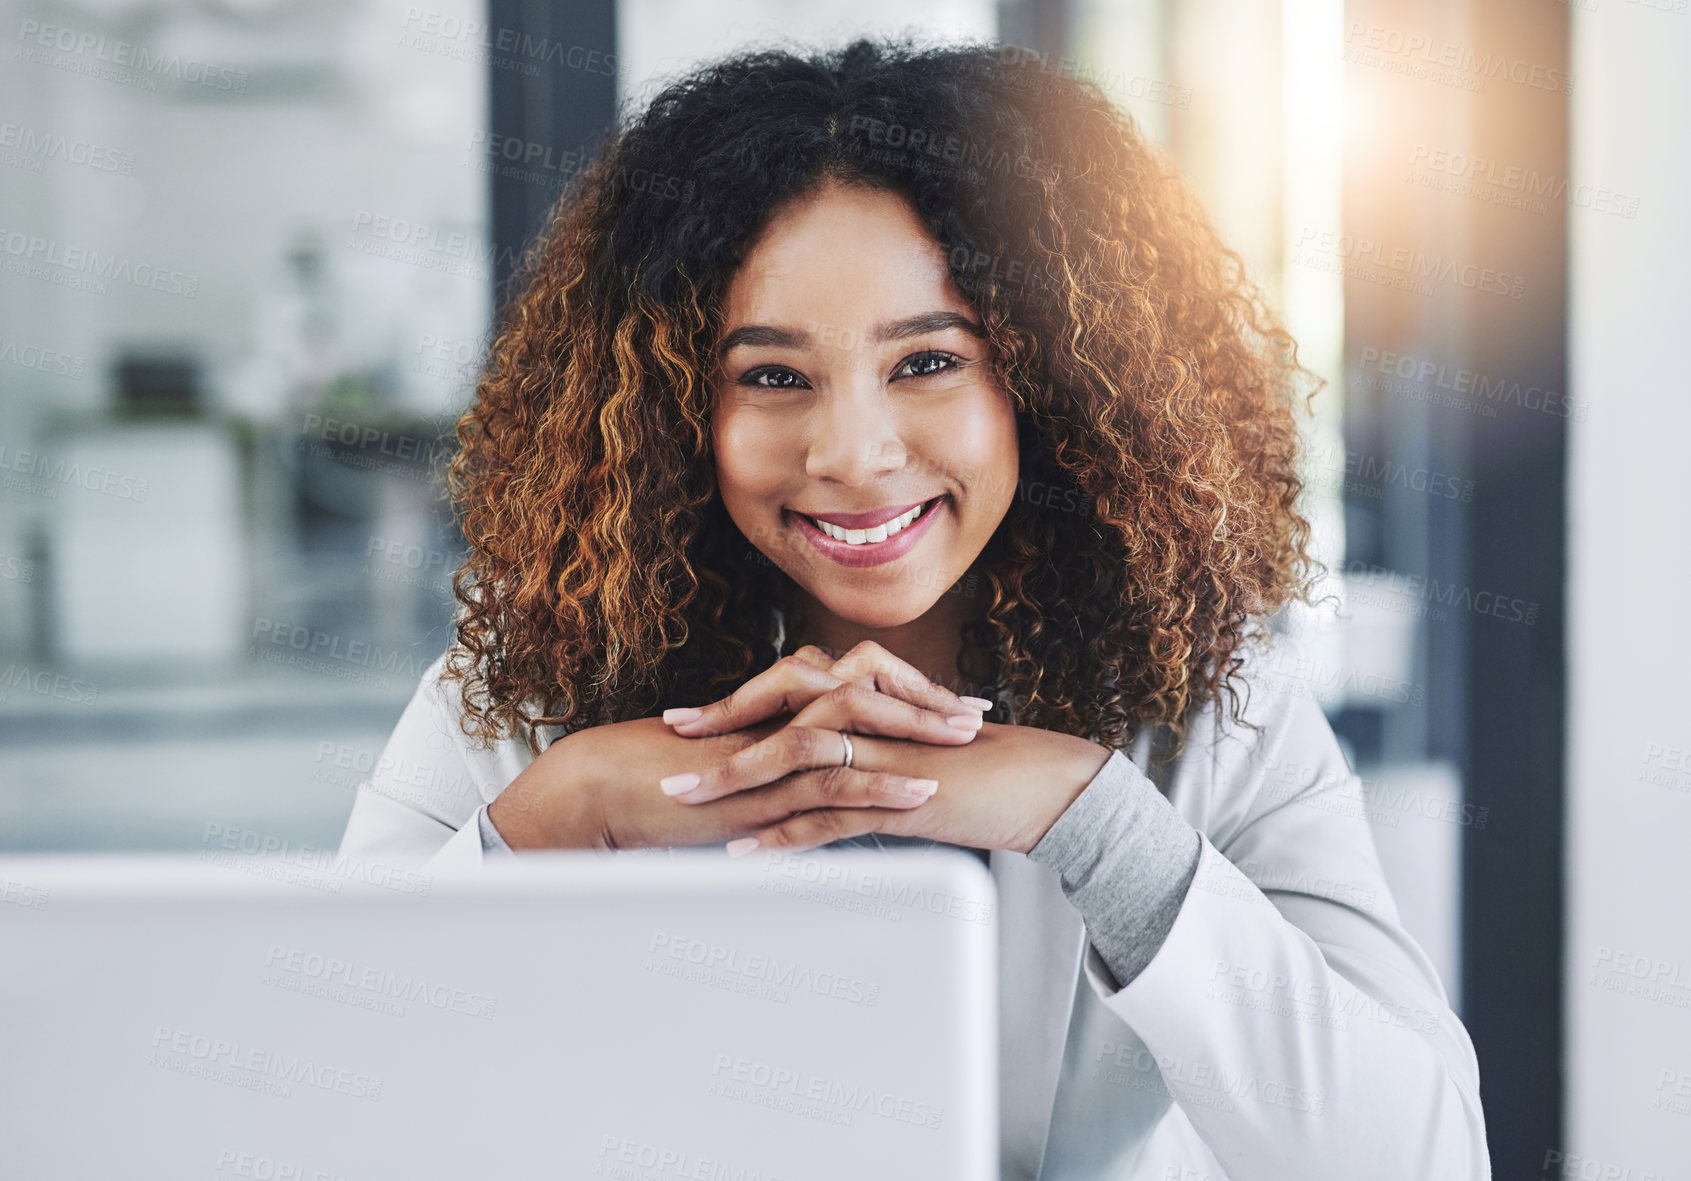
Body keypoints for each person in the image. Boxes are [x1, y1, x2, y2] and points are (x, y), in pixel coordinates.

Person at [336, 37, 1490, 1180]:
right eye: (772, 376)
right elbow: (325, 1110)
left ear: (1044, 382)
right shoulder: (516, 709)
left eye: (927, 361)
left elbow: (1419, 1154)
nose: (853, 452)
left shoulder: (1211, 710)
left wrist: (1088, 817)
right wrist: (557, 816)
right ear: (673, 409)